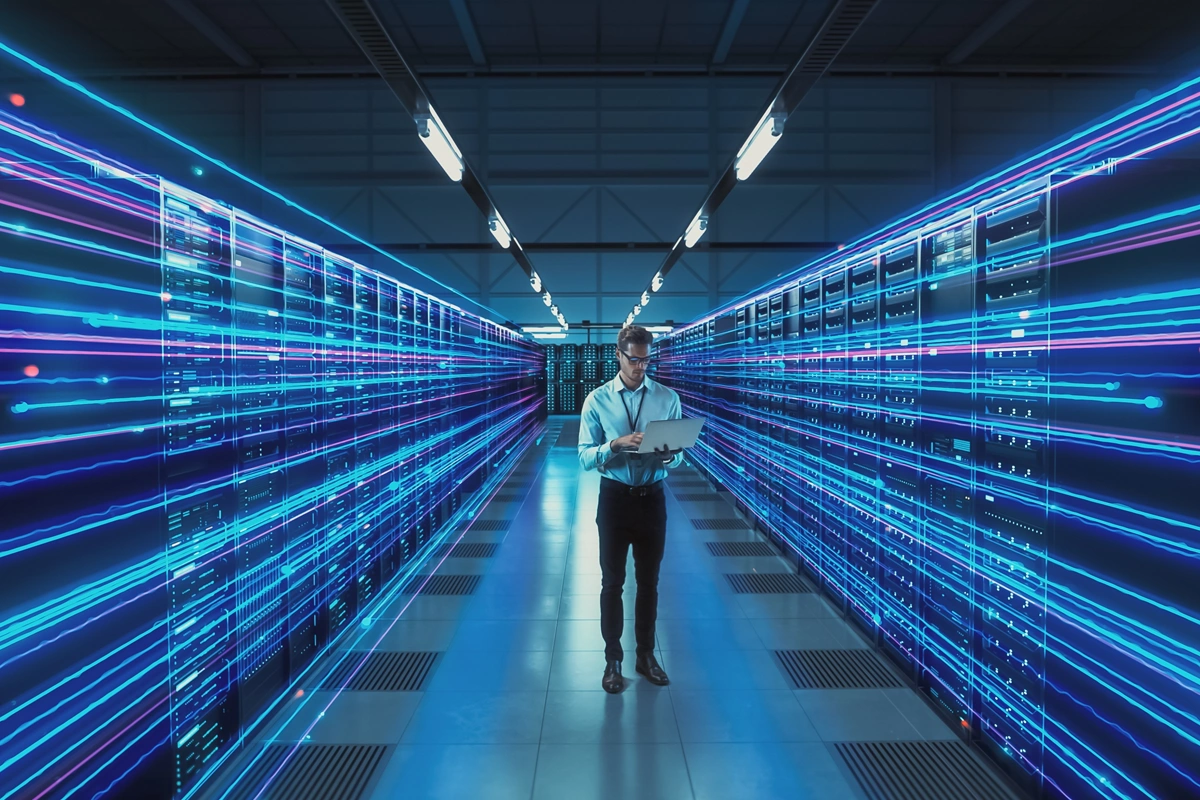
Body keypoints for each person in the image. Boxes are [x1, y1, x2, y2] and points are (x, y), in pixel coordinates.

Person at [578, 324, 683, 693]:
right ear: (619, 356)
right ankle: (613, 660)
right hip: (615, 499)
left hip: (652, 499)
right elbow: (584, 458)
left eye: (646, 359)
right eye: (634, 359)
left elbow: (679, 456)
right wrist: (614, 445)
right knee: (612, 583)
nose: (641, 366)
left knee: (649, 583)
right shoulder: (597, 400)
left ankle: (645, 655)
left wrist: (670, 456)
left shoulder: (667, 398)